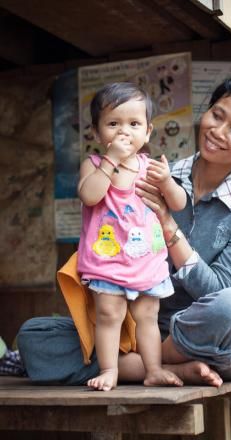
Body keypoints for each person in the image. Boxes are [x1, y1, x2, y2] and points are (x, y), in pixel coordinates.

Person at [18, 73, 231, 387]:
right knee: (35, 338)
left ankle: (153, 361)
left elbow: (221, 290)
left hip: (207, 327)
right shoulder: (155, 173)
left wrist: (169, 224)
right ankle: (166, 367)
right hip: (144, 323)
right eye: (216, 115)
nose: (218, 131)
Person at [77, 82, 187, 390]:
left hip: (146, 261)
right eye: (113, 124)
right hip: (108, 260)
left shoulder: (150, 167)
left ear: (148, 132)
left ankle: (152, 369)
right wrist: (110, 160)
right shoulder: (95, 164)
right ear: (97, 134)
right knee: (109, 314)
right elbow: (89, 196)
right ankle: (110, 369)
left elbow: (178, 204)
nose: (124, 132)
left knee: (148, 317)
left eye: (134, 124)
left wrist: (167, 182)